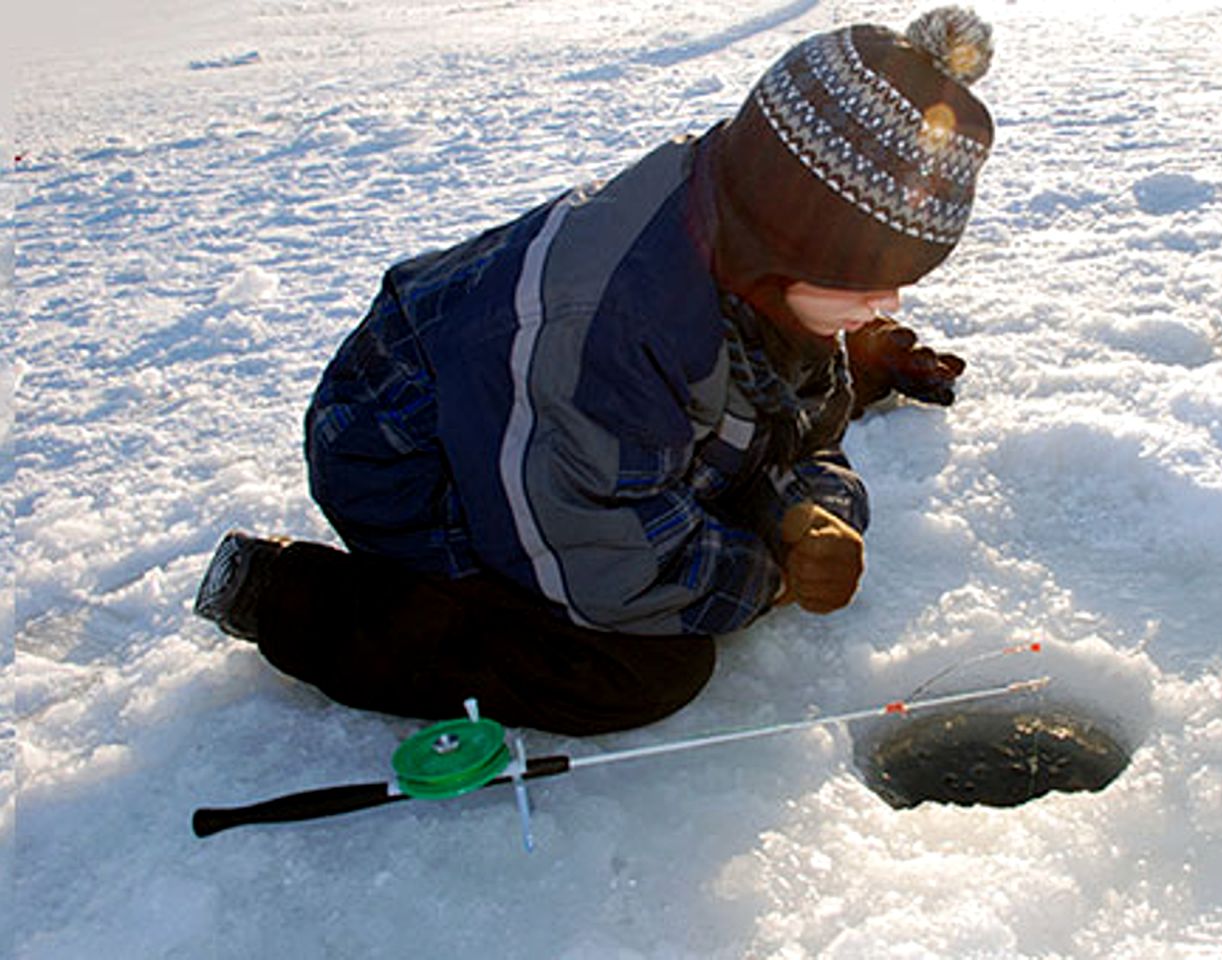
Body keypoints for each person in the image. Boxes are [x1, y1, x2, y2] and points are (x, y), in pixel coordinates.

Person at [193, 7, 995, 735]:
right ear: (790, 241)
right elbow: (609, 570)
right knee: (641, 669)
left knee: (712, 482)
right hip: (412, 461)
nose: (885, 302)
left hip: (558, 433)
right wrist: (771, 577)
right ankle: (287, 596)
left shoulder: (754, 257)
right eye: (865, 281)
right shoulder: (609, 326)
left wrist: (806, 512)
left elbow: (802, 428)